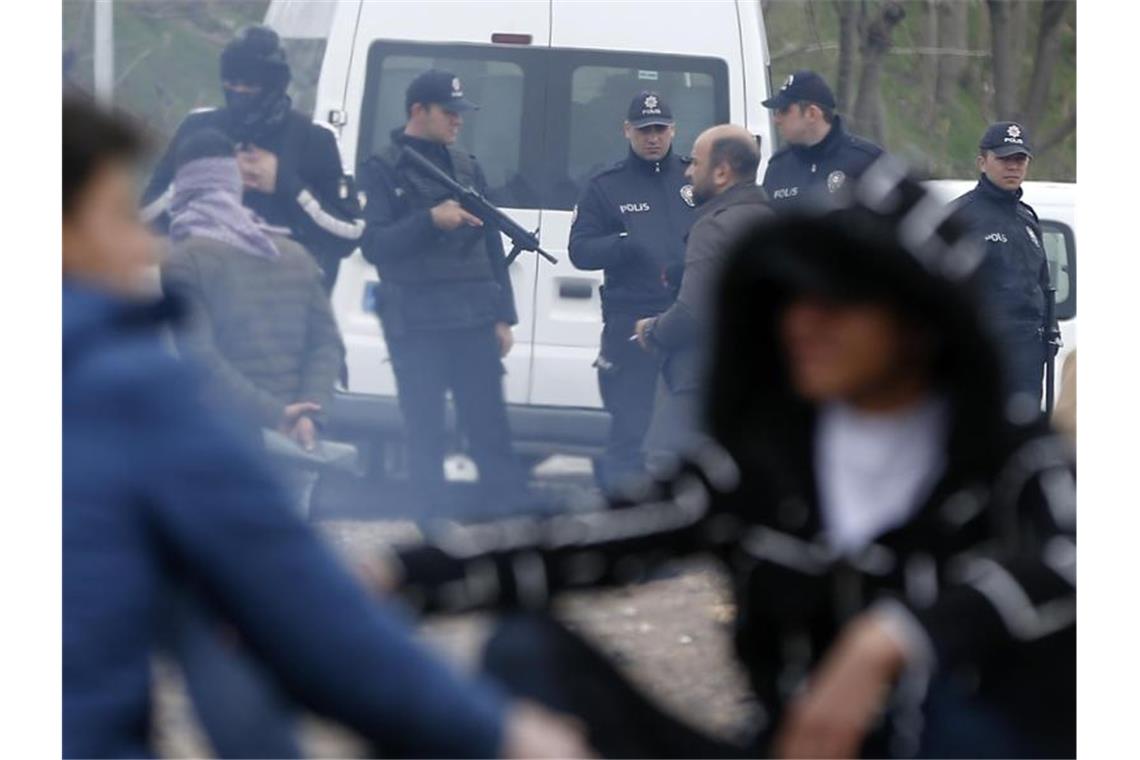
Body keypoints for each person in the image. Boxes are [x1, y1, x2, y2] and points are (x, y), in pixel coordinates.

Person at [369, 161, 1076, 758]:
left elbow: (1083, 560)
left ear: (922, 317)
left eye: (838, 300)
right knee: (525, 652)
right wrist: (398, 573)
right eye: (793, 297)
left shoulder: (1015, 461)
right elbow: (589, 538)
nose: (804, 321)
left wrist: (897, 638)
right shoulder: (766, 463)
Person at [62, 96, 591, 760]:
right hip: (271, 427)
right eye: (117, 214)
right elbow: (308, 612)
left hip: (263, 422)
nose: (141, 239)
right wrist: (497, 734)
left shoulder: (160, 307)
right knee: (243, 611)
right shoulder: (122, 380)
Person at [357, 69, 529, 516]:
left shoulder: (467, 166)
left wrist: (503, 315)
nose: (458, 121)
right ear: (419, 111)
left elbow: (492, 242)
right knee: (425, 430)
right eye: (449, 112)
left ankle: (506, 521)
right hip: (417, 323)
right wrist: (429, 221)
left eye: (461, 113)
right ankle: (431, 527)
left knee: (489, 426)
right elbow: (375, 245)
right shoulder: (383, 168)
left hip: (473, 317)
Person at [159, 128, 344, 518]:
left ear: (183, 185)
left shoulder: (185, 258)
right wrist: (307, 413)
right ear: (232, 183)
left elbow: (199, 359)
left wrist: (276, 415)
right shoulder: (294, 252)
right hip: (297, 444)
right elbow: (327, 345)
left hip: (222, 442)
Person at [140, 25, 363, 292]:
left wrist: (285, 183)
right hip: (200, 297)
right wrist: (203, 179)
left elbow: (348, 236)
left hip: (282, 303)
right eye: (230, 83)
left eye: (250, 84)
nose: (238, 92)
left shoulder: (314, 139)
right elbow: (145, 218)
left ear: (275, 84)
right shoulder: (197, 127)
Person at [568, 91, 698, 492]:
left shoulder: (693, 177)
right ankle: (619, 518)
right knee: (630, 429)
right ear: (628, 131)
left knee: (687, 430)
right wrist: (624, 244)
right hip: (631, 323)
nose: (653, 138)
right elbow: (580, 250)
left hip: (684, 320)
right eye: (644, 130)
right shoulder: (606, 186)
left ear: (673, 129)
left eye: (660, 129)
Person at [633, 124, 771, 461]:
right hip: (748, 388)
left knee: (664, 473)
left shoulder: (714, 226)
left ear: (721, 172)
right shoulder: (767, 218)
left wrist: (652, 329)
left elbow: (692, 313)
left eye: (695, 163)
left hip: (695, 385)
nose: (688, 172)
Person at [952, 121, 1055, 419]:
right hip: (982, 358)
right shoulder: (960, 217)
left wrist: (1050, 337)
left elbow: (1042, 283)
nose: (1013, 167)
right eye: (1004, 159)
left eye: (1019, 159)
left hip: (1028, 361)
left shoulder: (1028, 218)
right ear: (982, 162)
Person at [760, 69, 883, 210]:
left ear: (812, 113)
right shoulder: (778, 167)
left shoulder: (866, 162)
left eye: (784, 110)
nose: (776, 119)